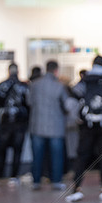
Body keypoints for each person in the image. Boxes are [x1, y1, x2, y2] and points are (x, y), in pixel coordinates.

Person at [66, 55, 102, 202]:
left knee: (82, 156)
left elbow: (71, 99)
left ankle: (76, 189)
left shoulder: (84, 80)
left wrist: (76, 117)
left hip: (86, 126)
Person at [27, 60, 72, 191]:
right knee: (56, 156)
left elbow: (29, 102)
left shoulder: (34, 85)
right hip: (56, 126)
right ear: (56, 70)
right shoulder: (59, 86)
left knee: (37, 156)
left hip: (37, 126)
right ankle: (56, 181)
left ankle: (36, 181)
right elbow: (67, 105)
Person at [0, 63, 30, 188]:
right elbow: (29, 103)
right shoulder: (24, 86)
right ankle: (14, 176)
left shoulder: (2, 85)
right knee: (17, 150)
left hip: (5, 121)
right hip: (20, 121)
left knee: (0, 150)